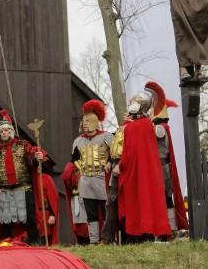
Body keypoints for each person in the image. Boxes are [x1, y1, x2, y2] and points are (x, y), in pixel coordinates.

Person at [114, 91, 171, 240]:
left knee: (137, 201)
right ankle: (150, 233)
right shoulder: (148, 124)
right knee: (150, 200)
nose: (132, 105)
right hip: (150, 171)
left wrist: (120, 167)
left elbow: (127, 154)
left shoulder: (132, 128)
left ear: (143, 106)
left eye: (136, 103)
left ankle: (139, 233)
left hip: (135, 172)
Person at [0, 110, 45, 245]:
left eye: (6, 130)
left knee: (30, 219)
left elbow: (31, 159)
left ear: (11, 131)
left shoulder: (23, 145)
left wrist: (36, 157)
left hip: (24, 189)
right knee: (5, 220)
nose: (4, 133)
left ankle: (36, 244)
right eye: (1, 131)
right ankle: (4, 245)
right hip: (5, 191)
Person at [144, 81, 189, 235]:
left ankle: (171, 227)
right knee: (159, 198)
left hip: (163, 168)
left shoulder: (162, 127)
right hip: (157, 167)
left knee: (166, 197)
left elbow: (157, 133)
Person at [71, 100, 114, 245]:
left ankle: (108, 239)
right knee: (91, 213)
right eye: (84, 121)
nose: (85, 124)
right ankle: (94, 241)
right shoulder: (78, 140)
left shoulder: (106, 136)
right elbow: (74, 159)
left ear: (95, 122)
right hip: (86, 180)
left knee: (106, 211)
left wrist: (110, 162)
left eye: (88, 121)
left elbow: (116, 154)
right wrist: (80, 168)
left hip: (102, 178)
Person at [100, 114, 129, 245]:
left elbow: (130, 150)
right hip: (116, 167)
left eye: (128, 112)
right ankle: (107, 238)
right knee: (111, 203)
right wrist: (110, 161)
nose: (125, 114)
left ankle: (129, 237)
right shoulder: (122, 128)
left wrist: (120, 164)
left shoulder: (133, 127)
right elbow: (116, 149)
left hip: (126, 168)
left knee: (126, 204)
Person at [62, 160, 90, 245]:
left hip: (90, 197)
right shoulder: (74, 165)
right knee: (80, 226)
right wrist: (71, 163)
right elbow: (66, 177)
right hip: (78, 198)